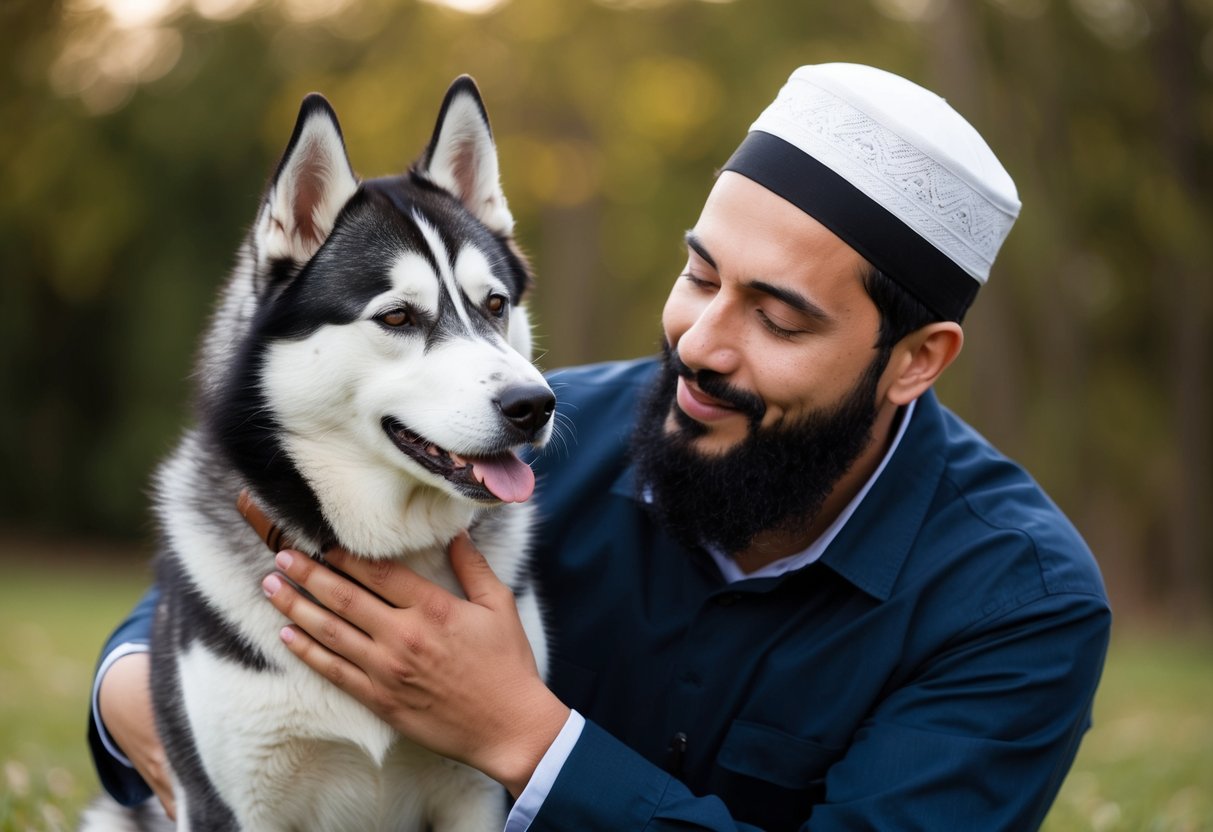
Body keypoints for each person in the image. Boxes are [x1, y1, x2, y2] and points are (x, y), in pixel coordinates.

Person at [89, 63, 1111, 830]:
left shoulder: (1015, 606)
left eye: (776, 318)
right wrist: (148, 690)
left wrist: (520, 735)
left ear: (914, 361)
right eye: (699, 275)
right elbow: (237, 559)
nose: (699, 345)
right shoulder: (518, 440)